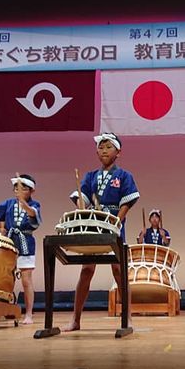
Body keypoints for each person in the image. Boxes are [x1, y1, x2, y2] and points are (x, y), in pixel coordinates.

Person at [63, 133, 140, 332]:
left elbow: (127, 202)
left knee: (119, 271)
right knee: (87, 270)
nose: (104, 150)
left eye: (108, 147)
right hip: (93, 224)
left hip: (113, 225)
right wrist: (82, 206)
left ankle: (128, 318)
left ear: (118, 152)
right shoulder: (90, 176)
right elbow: (83, 200)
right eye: (101, 147)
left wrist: (116, 222)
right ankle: (75, 320)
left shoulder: (124, 176)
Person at [0, 174, 41, 325]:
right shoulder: (8, 204)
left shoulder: (34, 205)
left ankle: (28, 314)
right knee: (3, 279)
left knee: (26, 280)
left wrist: (24, 205)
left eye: (22, 188)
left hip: (25, 242)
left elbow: (34, 217)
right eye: (16, 188)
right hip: (9, 242)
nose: (18, 191)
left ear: (31, 191)